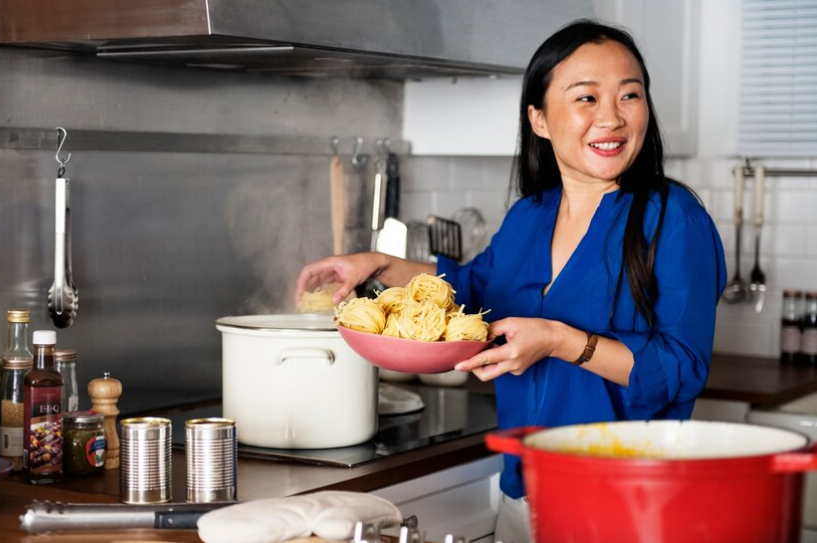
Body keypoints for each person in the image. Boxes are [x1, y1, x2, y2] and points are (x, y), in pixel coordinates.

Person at [294, 19, 726, 543]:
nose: (611, 117)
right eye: (586, 98)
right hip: (524, 493)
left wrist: (561, 341)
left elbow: (682, 368)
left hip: (626, 500)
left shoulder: (673, 218)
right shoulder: (530, 215)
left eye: (629, 95)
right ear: (540, 119)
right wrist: (378, 266)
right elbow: (473, 288)